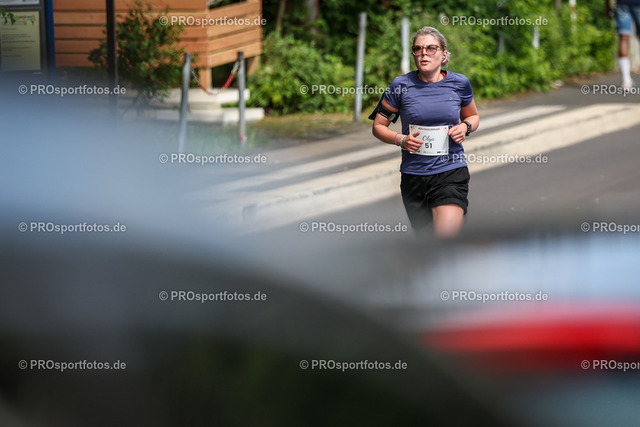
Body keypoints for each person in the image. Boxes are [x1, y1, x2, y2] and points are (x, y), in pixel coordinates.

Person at [371, 26, 479, 238]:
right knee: (427, 245)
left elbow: (473, 116)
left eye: (431, 48)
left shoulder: (459, 83)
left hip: (450, 170)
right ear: (413, 54)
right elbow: (378, 126)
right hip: (414, 176)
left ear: (444, 54)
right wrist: (401, 140)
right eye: (418, 48)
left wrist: (465, 127)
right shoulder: (400, 86)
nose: (424, 53)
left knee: (445, 236)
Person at [607, 0, 640, 88]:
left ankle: (626, 80)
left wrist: (607, 4)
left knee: (623, 39)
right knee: (624, 40)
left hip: (622, 4)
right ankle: (626, 79)